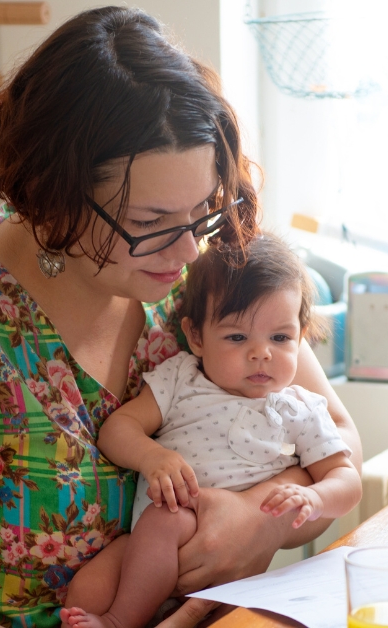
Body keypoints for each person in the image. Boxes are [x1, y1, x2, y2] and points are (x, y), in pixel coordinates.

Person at [0, 7, 362, 627]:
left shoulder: (197, 283)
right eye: (148, 223)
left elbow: (342, 443)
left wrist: (256, 521)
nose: (188, 249)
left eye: (201, 212)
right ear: (51, 192)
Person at [60, 234, 362, 628]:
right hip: (150, 551)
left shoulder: (300, 408)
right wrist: (152, 456)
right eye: (237, 337)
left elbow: (347, 480)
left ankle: (121, 622)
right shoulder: (181, 379)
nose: (261, 353)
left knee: (168, 520)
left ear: (301, 337)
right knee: (88, 591)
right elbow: (118, 428)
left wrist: (315, 497)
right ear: (197, 337)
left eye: (280, 338)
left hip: (235, 564)